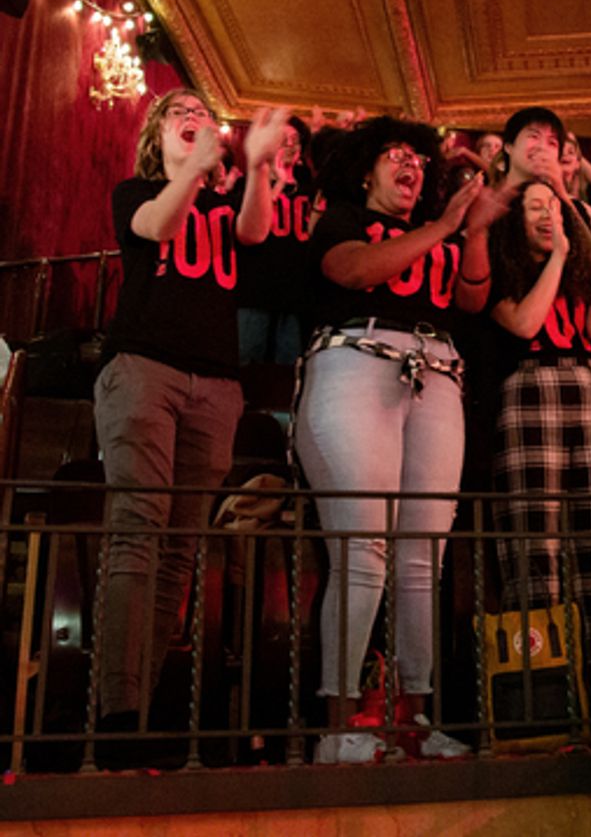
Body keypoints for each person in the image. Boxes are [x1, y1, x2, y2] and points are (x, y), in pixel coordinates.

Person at [95, 90, 286, 761]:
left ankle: (138, 710)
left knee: (178, 550)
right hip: (144, 369)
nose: (194, 116)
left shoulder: (222, 208)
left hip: (216, 385)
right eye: (179, 111)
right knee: (138, 530)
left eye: (202, 113)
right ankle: (115, 713)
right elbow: (155, 227)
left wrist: (256, 166)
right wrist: (196, 170)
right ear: (157, 135)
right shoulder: (137, 191)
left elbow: (255, 234)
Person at [294, 115, 486, 764]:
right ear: (365, 171)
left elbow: (472, 299)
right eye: (395, 154)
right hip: (354, 361)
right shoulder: (343, 219)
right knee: (362, 548)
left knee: (423, 555)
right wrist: (443, 227)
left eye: (420, 159)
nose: (412, 165)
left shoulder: (439, 229)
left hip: (439, 374)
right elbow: (352, 271)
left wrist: (475, 231)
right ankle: (338, 725)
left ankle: (415, 720)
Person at [487, 105, 591, 694]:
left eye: (553, 207)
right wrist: (558, 254)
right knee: (538, 543)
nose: (547, 215)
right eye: (535, 208)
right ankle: (546, 694)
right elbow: (525, 322)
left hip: (587, 384)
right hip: (530, 387)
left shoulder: (576, 263)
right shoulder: (502, 265)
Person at [236, 114, 316, 365]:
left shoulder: (309, 188)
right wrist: (279, 182)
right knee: (246, 358)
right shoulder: (247, 184)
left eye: (295, 140)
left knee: (289, 365)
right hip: (255, 290)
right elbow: (247, 228)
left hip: (296, 294)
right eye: (283, 139)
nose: (290, 145)